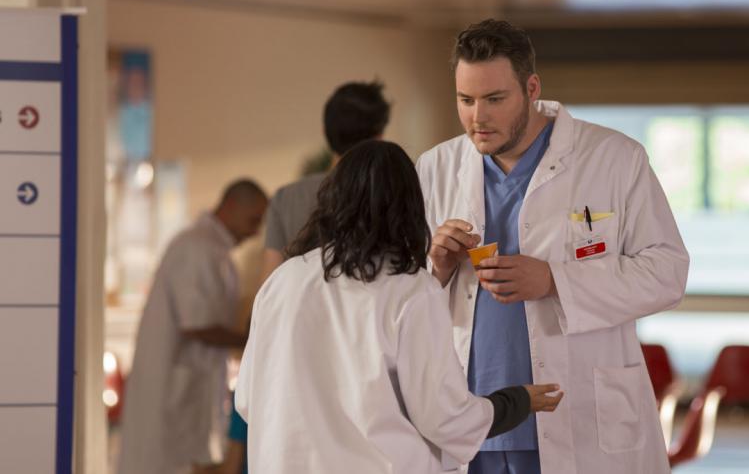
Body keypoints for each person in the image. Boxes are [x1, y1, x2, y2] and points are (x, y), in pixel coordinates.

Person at [415, 19, 690, 474]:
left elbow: (667, 273)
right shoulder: (435, 168)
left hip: (578, 414)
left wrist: (554, 280)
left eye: (494, 99)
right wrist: (436, 267)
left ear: (531, 88)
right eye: (465, 100)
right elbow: (401, 297)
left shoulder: (614, 158)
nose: (477, 118)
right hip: (471, 418)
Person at [235, 140, 564, 474]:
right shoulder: (410, 289)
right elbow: (445, 419)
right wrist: (518, 401)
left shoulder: (283, 280)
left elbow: (248, 399)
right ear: (410, 208)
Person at [118, 179, 268, 474]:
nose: (254, 232)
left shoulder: (212, 249)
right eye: (253, 221)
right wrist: (252, 341)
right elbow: (197, 325)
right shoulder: (197, 247)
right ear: (230, 206)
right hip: (173, 394)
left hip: (189, 389)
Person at [260, 80, 390, 282]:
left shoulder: (285, 198)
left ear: (325, 132)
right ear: (379, 136)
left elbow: (269, 282)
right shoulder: (393, 194)